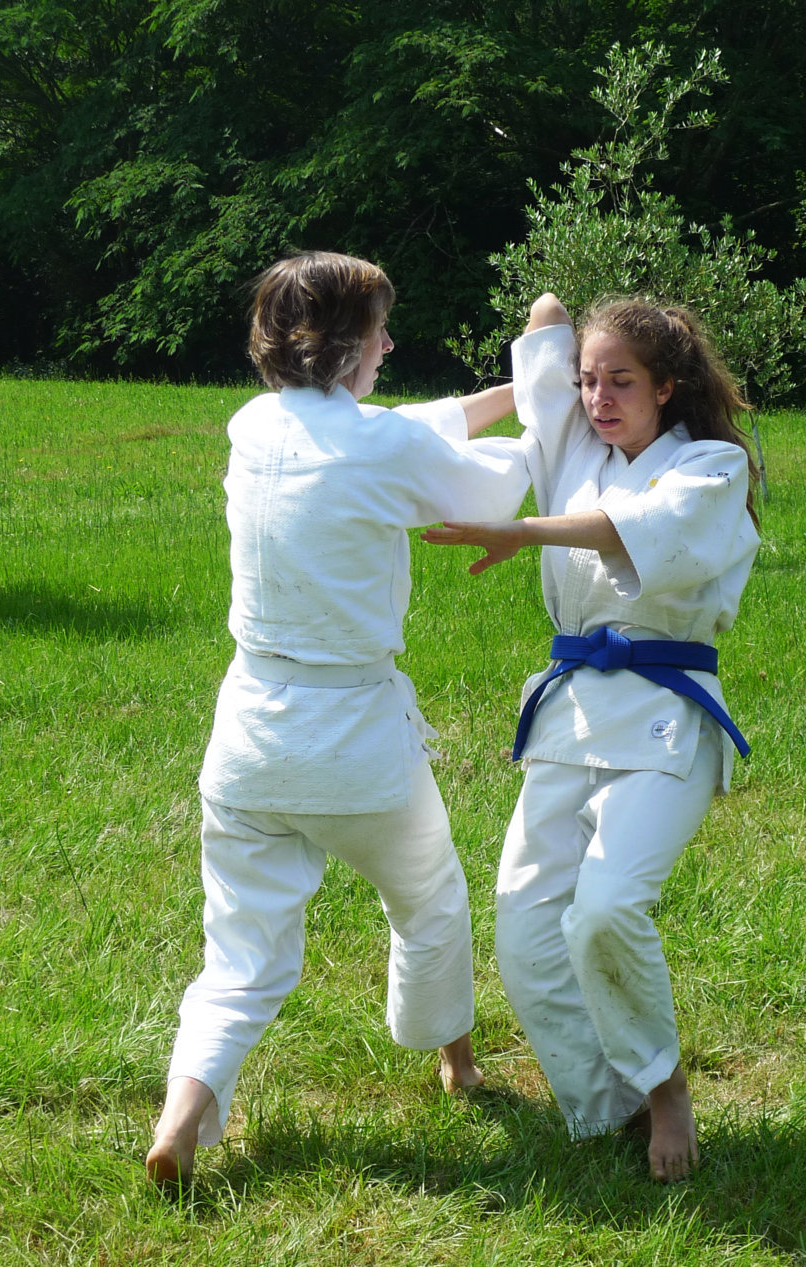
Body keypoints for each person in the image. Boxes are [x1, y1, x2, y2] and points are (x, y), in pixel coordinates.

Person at [145, 251, 530, 1187]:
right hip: (354, 745)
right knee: (430, 898)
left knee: (240, 953)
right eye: (381, 332)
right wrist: (550, 413)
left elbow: (391, 430)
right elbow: (478, 488)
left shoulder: (252, 426)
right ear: (349, 344)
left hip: (247, 744)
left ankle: (181, 1118)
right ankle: (457, 1064)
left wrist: (514, 393)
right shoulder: (378, 444)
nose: (390, 346)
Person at [422, 292, 760, 1182]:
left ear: (668, 386)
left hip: (664, 714)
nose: (598, 398)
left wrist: (520, 528)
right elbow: (544, 320)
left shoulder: (713, 465)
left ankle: (664, 1085)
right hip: (571, 713)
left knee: (606, 907)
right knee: (526, 927)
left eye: (622, 381)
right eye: (587, 381)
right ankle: (607, 1103)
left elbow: (628, 531)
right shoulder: (577, 444)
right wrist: (574, 326)